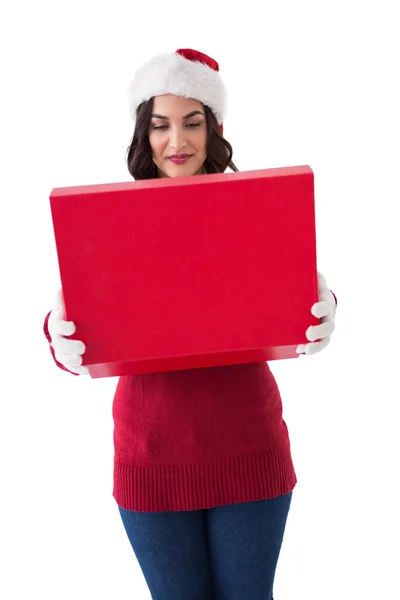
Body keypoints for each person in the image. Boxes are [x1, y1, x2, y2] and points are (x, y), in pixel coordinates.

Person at [43, 48, 337, 600]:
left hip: (248, 453)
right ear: (143, 134)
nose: (176, 141)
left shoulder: (254, 211)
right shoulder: (109, 225)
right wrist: (58, 330)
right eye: (160, 125)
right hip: (150, 460)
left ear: (214, 129)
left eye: (191, 122)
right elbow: (80, 320)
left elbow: (291, 289)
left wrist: (321, 302)